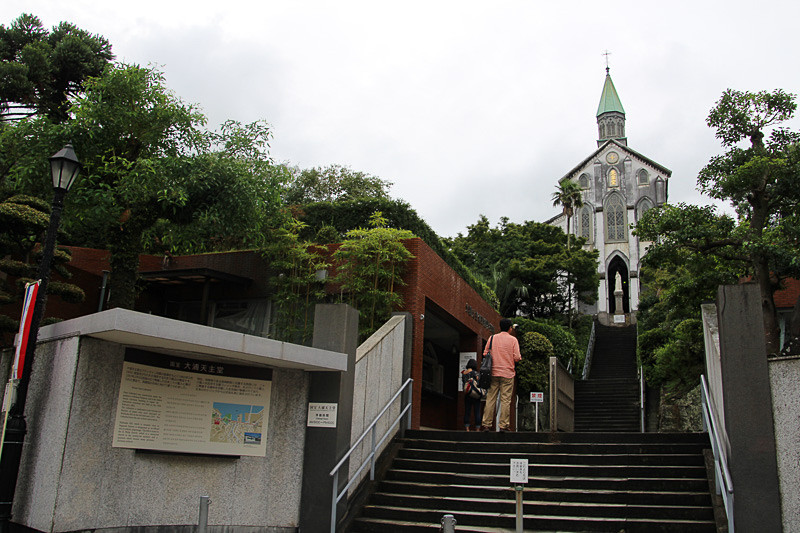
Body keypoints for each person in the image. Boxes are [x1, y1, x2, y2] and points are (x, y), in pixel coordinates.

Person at [480, 318, 521, 432]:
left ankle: (486, 424)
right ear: (510, 328)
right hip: (507, 373)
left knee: (490, 398)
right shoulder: (513, 340)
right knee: (505, 400)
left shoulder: (492, 338)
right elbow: (517, 357)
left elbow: (485, 353)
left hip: (493, 372)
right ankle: (503, 425)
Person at [461, 358, 482, 431]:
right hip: (476, 395)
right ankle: (477, 429)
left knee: (467, 411)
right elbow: (479, 383)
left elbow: (463, 384)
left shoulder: (464, 373)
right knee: (477, 412)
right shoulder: (476, 373)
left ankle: (467, 428)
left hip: (467, 394)